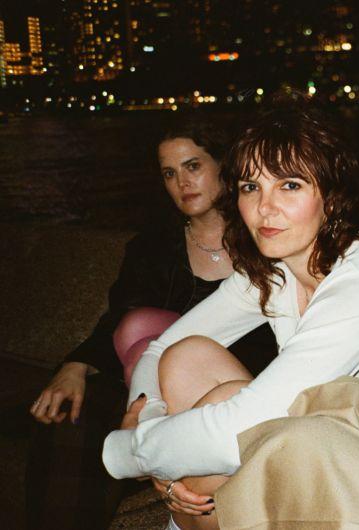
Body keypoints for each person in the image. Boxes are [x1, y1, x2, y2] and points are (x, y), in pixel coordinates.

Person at [101, 102, 359, 530]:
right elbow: (161, 347)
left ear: (332, 195)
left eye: (289, 185)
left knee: (219, 427)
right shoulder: (278, 268)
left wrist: (132, 452)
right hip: (329, 440)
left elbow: (239, 428)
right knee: (187, 357)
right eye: (251, 187)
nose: (265, 208)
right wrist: (146, 413)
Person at [26, 117, 279, 529]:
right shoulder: (154, 246)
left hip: (228, 382)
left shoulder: (265, 239)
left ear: (224, 165)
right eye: (169, 173)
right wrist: (75, 365)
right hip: (144, 378)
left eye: (193, 166)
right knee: (71, 417)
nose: (183, 182)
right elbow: (120, 318)